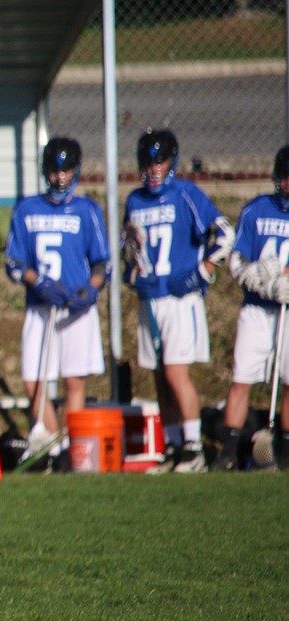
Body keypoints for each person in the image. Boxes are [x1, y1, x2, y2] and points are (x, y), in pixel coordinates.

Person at [123, 128, 235, 473]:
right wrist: (133, 278)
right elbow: (128, 254)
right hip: (150, 300)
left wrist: (201, 271)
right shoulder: (134, 200)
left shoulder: (186, 193)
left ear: (172, 161)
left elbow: (225, 233)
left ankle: (193, 448)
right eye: (149, 162)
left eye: (161, 161)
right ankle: (173, 446)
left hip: (179, 298)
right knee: (159, 376)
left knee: (175, 373)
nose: (155, 168)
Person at [4, 138, 110, 472]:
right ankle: (52, 443)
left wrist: (89, 292)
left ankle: (69, 450)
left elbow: (101, 263)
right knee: (33, 380)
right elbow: (14, 262)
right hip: (40, 307)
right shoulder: (26, 208)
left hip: (75, 309)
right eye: (54, 170)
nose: (60, 177)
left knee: (73, 381)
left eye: (65, 170)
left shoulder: (87, 210)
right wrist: (37, 281)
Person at [210, 144, 289, 471]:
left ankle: (283, 451)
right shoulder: (257, 209)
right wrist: (256, 278)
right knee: (241, 377)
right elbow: (238, 259)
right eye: (285, 178)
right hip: (257, 308)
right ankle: (228, 450)